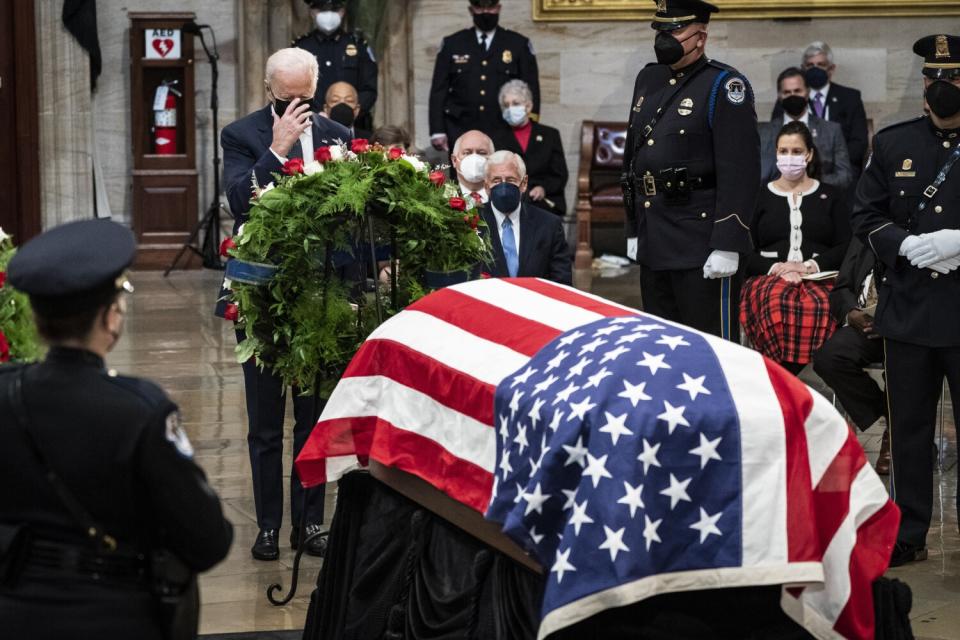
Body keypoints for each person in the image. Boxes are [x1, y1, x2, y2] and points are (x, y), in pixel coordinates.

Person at [0, 219, 233, 639]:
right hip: (112, 614)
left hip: (16, 612)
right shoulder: (139, 410)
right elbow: (208, 540)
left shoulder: (5, 393)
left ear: (35, 320)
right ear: (111, 317)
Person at [221, 47, 351, 561]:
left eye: (304, 97)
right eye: (285, 96)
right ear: (268, 90)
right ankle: (269, 526)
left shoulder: (337, 138)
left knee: (315, 417)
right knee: (265, 420)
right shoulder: (242, 134)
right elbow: (236, 200)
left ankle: (311, 522)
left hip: (322, 290)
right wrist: (275, 151)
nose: (296, 105)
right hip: (261, 292)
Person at [850, 34, 960, 567]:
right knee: (911, 432)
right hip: (909, 311)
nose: (943, 87)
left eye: (953, 77)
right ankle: (909, 531)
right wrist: (906, 245)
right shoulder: (893, 144)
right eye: (934, 78)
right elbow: (865, 215)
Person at [622, 0, 760, 340]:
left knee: (710, 346)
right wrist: (633, 227)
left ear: (701, 35)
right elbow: (633, 157)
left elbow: (741, 170)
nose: (664, 37)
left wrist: (729, 241)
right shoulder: (648, 78)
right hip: (655, 237)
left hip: (701, 244)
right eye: (660, 29)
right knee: (662, 345)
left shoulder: (724, 86)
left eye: (674, 30)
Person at [740, 121, 850, 374]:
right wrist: (777, 267)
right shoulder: (759, 196)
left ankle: (781, 382)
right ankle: (783, 383)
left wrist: (809, 266)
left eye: (796, 151)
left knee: (819, 307)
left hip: (820, 278)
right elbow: (744, 248)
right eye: (783, 151)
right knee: (777, 306)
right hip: (769, 278)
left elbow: (846, 244)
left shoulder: (831, 195)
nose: (789, 158)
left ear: (809, 154)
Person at [812, 237, 890, 474]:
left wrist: (890, 320)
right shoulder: (864, 235)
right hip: (864, 322)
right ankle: (894, 416)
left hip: (905, 324)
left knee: (904, 364)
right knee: (829, 358)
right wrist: (850, 312)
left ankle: (896, 437)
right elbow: (841, 288)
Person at [428, 0, 540, 151]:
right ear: (471, 10)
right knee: (462, 173)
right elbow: (438, 90)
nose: (486, 12)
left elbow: (531, 89)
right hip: (460, 127)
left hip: (505, 129)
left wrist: (530, 127)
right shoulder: (452, 44)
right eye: (480, 8)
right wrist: (437, 130)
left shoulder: (517, 44)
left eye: (491, 7)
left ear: (499, 8)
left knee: (503, 173)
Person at [772, 41, 869, 175]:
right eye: (810, 65)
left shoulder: (850, 98)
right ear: (803, 68)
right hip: (792, 167)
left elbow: (859, 142)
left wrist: (832, 163)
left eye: (821, 65)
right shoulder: (789, 99)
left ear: (831, 68)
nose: (815, 69)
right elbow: (775, 135)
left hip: (838, 167)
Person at [479, 150, 572, 284]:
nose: (504, 187)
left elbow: (563, 283)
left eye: (511, 180)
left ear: (523, 183)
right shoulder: (468, 223)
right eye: (496, 180)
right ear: (486, 186)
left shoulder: (549, 225)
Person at [760, 67, 853, 190]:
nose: (793, 96)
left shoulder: (831, 130)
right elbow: (757, 175)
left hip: (820, 199)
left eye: (797, 91)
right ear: (779, 96)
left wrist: (809, 182)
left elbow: (845, 176)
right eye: (787, 92)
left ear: (808, 92)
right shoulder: (763, 133)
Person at [293, 0, 378, 132]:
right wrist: (316, 115)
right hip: (310, 126)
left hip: (354, 126)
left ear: (342, 12)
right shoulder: (300, 48)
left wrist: (349, 113)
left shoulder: (359, 46)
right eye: (322, 10)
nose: (328, 15)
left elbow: (369, 89)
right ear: (312, 12)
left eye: (334, 10)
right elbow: (294, 89)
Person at [491, 79, 568, 216]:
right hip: (509, 202)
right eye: (506, 105)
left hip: (544, 201)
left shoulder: (550, 135)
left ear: (528, 106)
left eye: (515, 103)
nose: (510, 109)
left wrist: (543, 188)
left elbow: (560, 174)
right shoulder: (496, 138)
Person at [451, 129, 495, 204]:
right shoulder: (440, 197)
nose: (474, 158)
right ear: (454, 160)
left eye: (482, 153)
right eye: (467, 153)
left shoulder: (506, 194)